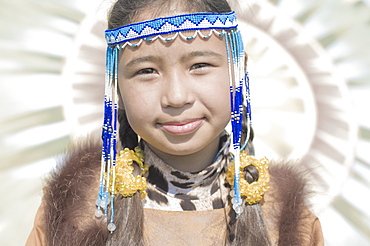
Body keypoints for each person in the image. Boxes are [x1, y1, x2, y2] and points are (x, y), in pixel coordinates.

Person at [26, 0, 324, 245]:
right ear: (116, 84)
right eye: (146, 71)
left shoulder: (286, 218)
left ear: (238, 68)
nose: (176, 97)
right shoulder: (77, 210)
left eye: (200, 65)